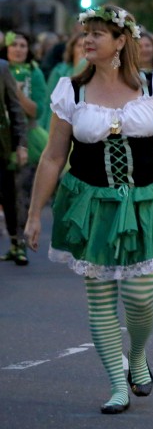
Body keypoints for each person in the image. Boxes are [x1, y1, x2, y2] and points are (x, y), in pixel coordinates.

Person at [23, 5, 153, 414]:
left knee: (141, 298)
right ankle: (116, 383)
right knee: (101, 298)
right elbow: (53, 157)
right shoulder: (69, 90)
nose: (87, 40)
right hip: (91, 205)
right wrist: (35, 213)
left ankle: (137, 356)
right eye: (85, 33)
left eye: (98, 34)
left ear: (121, 41)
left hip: (145, 203)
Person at [0, 30, 49, 265]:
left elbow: (36, 110)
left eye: (23, 45)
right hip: (3, 137)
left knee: (17, 193)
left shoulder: (33, 72)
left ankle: (20, 243)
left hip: (25, 137)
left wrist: (16, 90)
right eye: (14, 45)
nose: (19, 49)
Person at [0, 58, 28, 262]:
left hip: (1, 145)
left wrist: (21, 143)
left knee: (8, 193)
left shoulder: (2, 68)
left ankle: (16, 242)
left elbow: (15, 107)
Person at [45, 33, 87, 123]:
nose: (83, 50)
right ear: (72, 49)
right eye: (79, 46)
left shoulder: (95, 73)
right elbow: (48, 101)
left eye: (86, 46)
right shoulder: (59, 71)